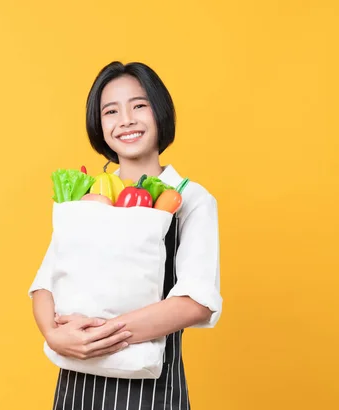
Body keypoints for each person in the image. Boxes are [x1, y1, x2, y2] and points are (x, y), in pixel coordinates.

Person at [29, 61, 222, 409]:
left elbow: (196, 301)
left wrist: (98, 336)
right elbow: (44, 285)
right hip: (76, 383)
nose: (126, 120)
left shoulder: (190, 197)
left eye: (139, 105)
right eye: (111, 111)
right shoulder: (85, 197)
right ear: (98, 124)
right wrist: (55, 336)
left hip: (151, 391)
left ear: (159, 113)